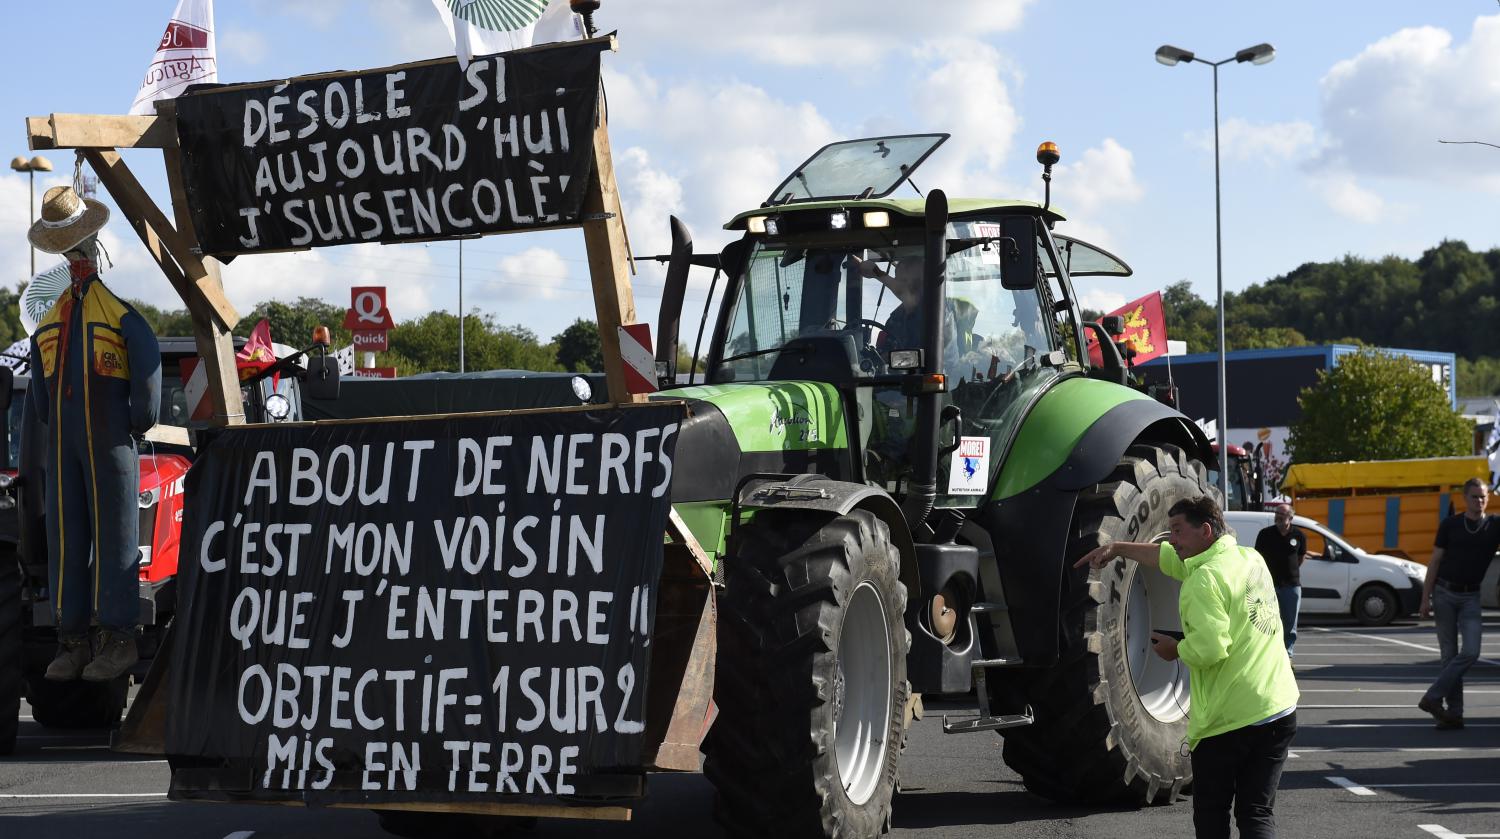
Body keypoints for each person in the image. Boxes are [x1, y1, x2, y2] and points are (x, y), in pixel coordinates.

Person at [1076, 496, 1299, 839]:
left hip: (1231, 721)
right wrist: (1119, 547)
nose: (1171, 540)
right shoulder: (1248, 558)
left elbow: (1210, 648)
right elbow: (1168, 560)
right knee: (1257, 812)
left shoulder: (1203, 579)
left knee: (1212, 816)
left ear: (1205, 531)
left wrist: (1175, 648)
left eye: (1178, 532)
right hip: (1279, 708)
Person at [27, 184, 161, 683]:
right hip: (69, 449)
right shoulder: (51, 324)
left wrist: (138, 419)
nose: (77, 258)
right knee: (67, 536)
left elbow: (146, 387)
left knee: (115, 535)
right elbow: (42, 400)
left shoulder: (116, 316)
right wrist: (138, 415)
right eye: (72, 251)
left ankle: (117, 638)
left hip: (107, 446)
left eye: (78, 250)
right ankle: (73, 639)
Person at [1417, 477, 1500, 730]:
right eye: (1475, 496)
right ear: (1465, 499)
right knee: (1449, 656)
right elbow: (1435, 561)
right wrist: (1425, 599)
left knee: (1471, 652)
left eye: (1484, 496)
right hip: (1444, 593)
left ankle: (1433, 696)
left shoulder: (1495, 525)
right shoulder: (1451, 525)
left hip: (1471, 597)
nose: (1480, 501)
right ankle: (1454, 713)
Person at [1254, 504, 1310, 657]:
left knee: (1290, 624)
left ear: (1290, 518)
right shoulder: (1265, 534)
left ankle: (1287, 654)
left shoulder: (1299, 535)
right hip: (1268, 585)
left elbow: (1301, 557)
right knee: (1267, 621)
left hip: (1291, 586)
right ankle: (1269, 654)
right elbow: (1257, 558)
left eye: (1282, 514)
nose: (1277, 516)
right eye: (1276, 513)